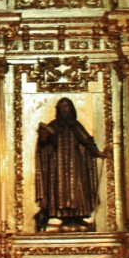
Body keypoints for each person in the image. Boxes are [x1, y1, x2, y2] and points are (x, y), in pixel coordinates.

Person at [35, 97, 101, 231]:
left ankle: (77, 216)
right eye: (61, 107)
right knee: (59, 188)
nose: (64, 110)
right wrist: (44, 136)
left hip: (75, 163)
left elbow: (86, 140)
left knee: (78, 187)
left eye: (66, 107)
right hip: (57, 164)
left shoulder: (75, 125)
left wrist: (97, 152)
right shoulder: (54, 126)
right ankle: (60, 215)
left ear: (71, 108)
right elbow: (44, 144)